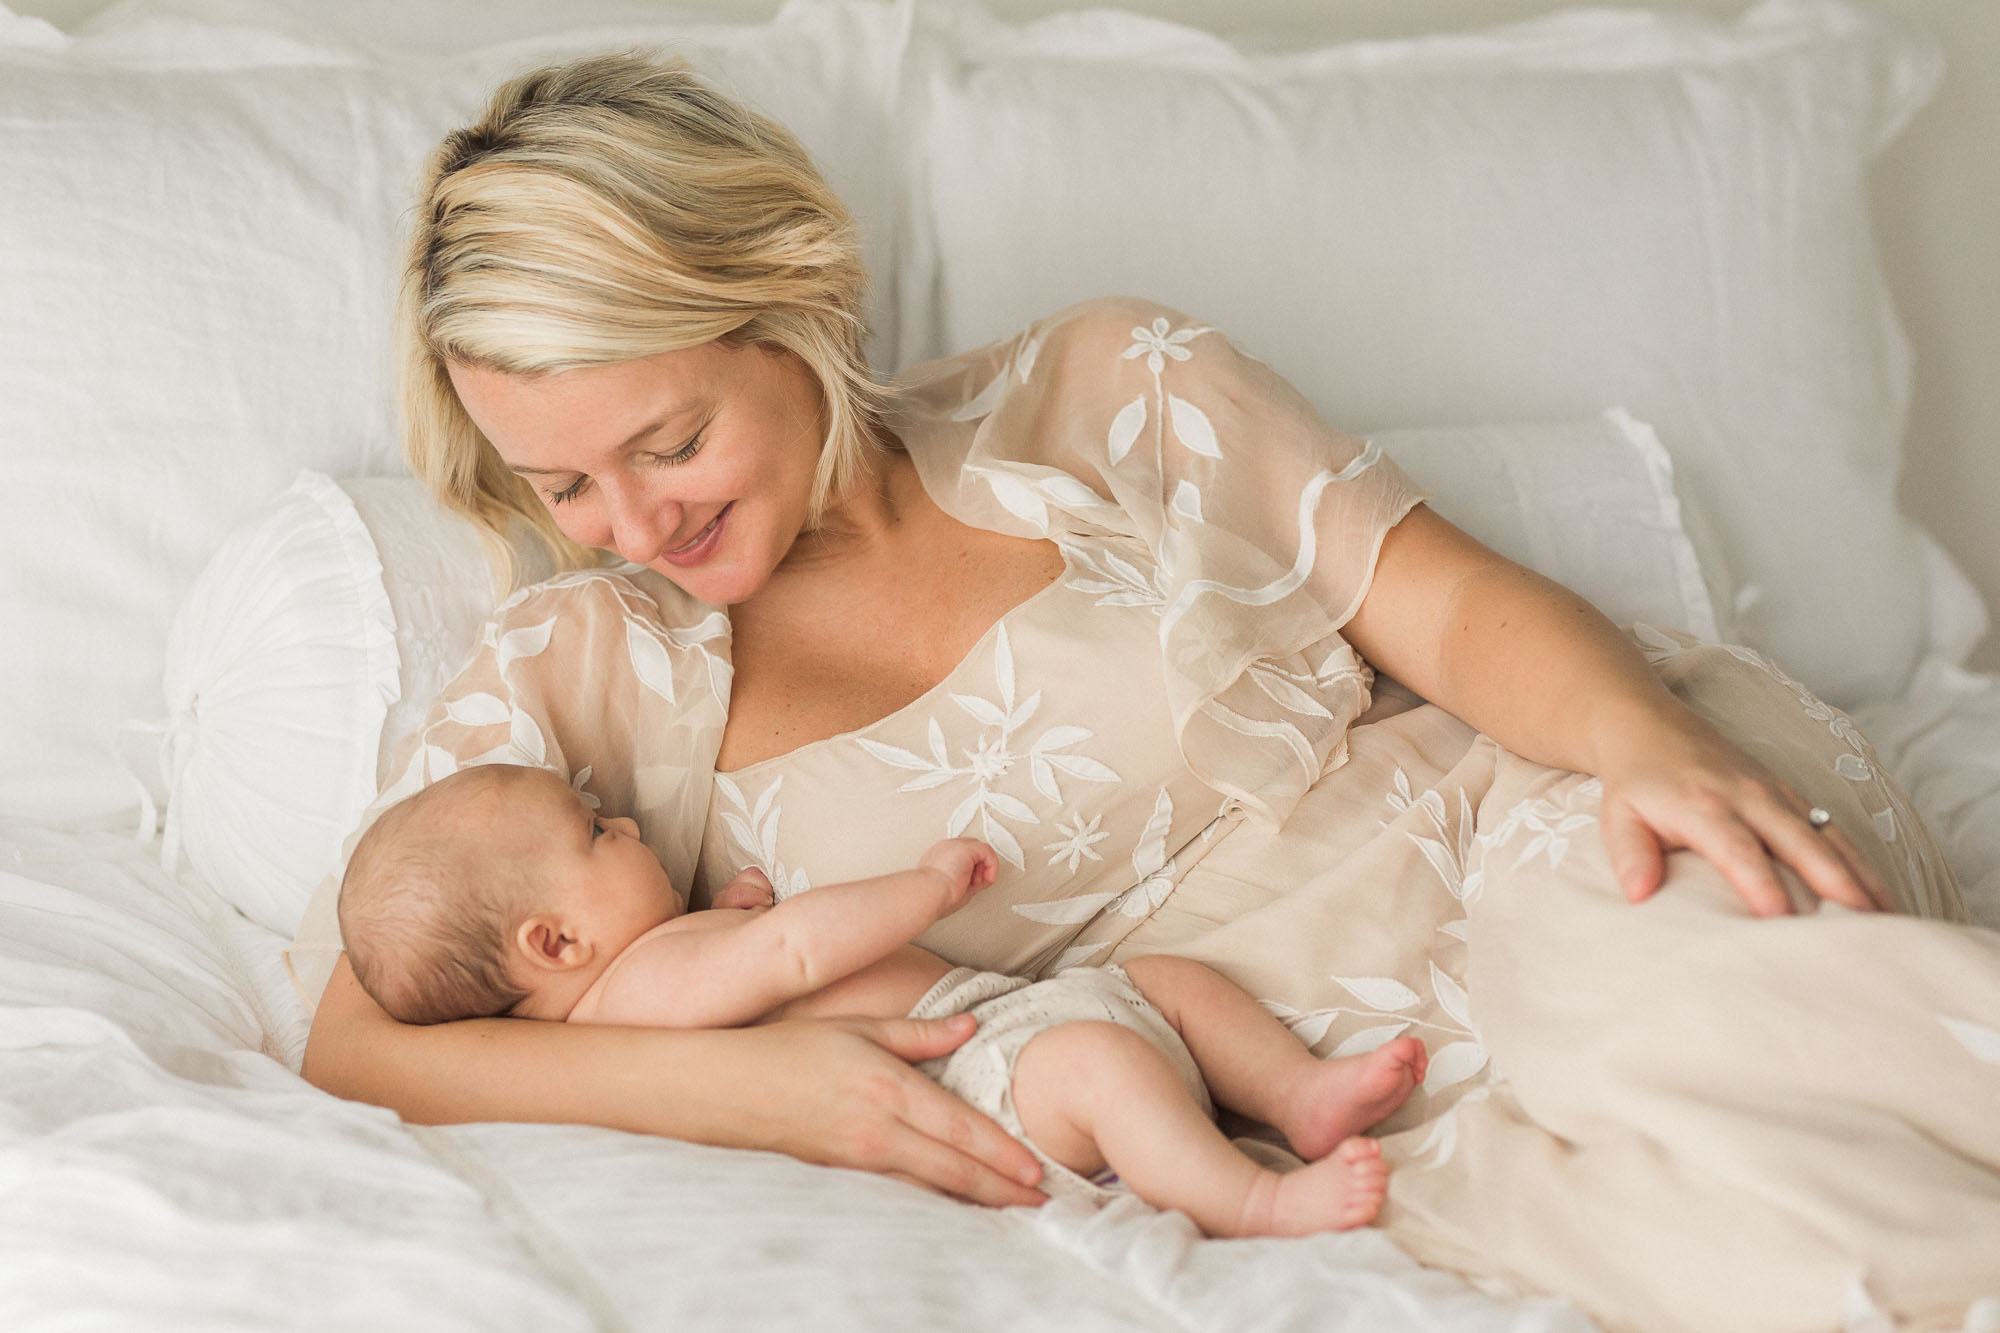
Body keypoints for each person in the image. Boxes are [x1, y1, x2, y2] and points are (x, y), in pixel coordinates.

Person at [293, 50, 2000, 1330]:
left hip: (1523, 810)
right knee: (1693, 1232)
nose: (633, 521)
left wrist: (1646, 743)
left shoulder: (1100, 389)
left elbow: (1451, 604)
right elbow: (357, 1036)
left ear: (787, 300)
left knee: (1713, 1035)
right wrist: (735, 1088)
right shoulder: (583, 674)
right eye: (563, 484)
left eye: (669, 441)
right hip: (1310, 1065)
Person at [337, 762, 1430, 1237]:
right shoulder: (643, 986)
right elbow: (796, 952)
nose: (623, 822)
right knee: (1107, 1067)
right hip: (980, 1079)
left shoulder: (654, 973)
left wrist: (728, 909)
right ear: (556, 941)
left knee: (1167, 985)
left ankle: (1296, 1095)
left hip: (1009, 1013)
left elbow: (751, 960)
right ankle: (1256, 1203)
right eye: (595, 832)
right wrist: (923, 889)